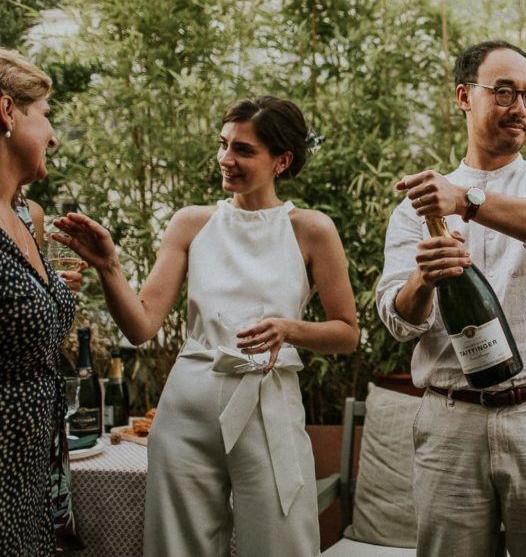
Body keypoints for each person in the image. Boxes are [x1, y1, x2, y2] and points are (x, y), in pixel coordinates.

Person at [54, 96, 360, 557]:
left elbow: (347, 331)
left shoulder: (312, 229)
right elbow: (141, 326)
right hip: (187, 409)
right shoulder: (191, 223)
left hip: (266, 400)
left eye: (243, 150)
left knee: (282, 543)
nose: (225, 159)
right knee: (178, 546)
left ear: (282, 160)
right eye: (223, 145)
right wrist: (108, 266)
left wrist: (289, 329)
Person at [376, 40, 526, 556]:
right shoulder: (419, 207)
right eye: (503, 92)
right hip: (451, 419)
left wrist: (468, 201)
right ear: (463, 96)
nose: (519, 108)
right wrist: (423, 281)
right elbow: (397, 319)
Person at [0, 48, 76, 556]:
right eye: (45, 115)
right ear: (7, 112)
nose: (52, 135)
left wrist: (53, 293)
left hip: (34, 471)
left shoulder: (27, 215)